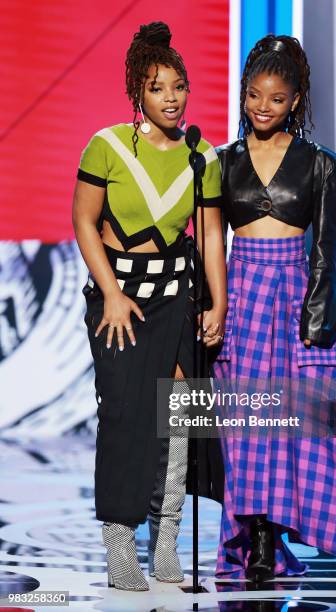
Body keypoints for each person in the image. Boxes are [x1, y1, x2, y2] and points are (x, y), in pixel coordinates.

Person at [213, 34, 336, 587]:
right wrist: (213, 310)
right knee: (249, 425)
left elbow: (325, 248)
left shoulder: (322, 164)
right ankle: (260, 541)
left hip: (298, 302)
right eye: (254, 96)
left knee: (329, 429)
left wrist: (317, 323)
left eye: (275, 98)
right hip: (244, 297)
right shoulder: (221, 163)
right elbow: (208, 243)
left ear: (295, 100)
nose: (262, 107)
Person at [72, 21, 226, 591]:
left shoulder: (201, 154)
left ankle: (165, 544)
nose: (171, 98)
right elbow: (83, 222)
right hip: (121, 301)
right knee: (122, 417)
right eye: (158, 87)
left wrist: (219, 305)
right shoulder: (106, 145)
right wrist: (111, 293)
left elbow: (210, 234)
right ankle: (120, 547)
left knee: (177, 422)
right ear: (138, 91)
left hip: (179, 300)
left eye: (179, 86)